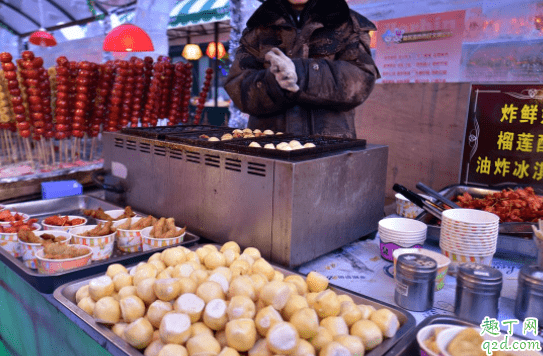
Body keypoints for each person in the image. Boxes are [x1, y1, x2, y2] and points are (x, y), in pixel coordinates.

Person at [225, 0, 380, 138]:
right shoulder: (258, 27)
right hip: (269, 149)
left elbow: (360, 80)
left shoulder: (346, 22)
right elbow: (238, 86)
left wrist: (301, 73)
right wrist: (274, 81)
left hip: (327, 151)